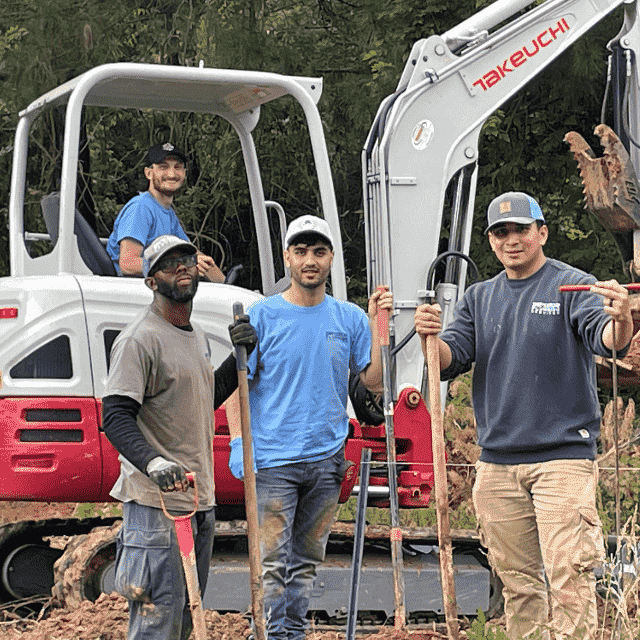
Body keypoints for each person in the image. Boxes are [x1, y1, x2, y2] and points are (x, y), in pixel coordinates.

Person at [414, 191, 633, 640]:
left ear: (542, 233)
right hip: (497, 466)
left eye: (521, 230)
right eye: (501, 232)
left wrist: (623, 318)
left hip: (563, 461)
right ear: (492, 240)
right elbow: (449, 358)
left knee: (570, 579)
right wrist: (429, 336)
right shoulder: (479, 297)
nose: (511, 240)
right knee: (518, 588)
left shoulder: (571, 285)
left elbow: (608, 339)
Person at [227, 214, 393, 640]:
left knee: (304, 564)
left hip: (325, 462)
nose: (310, 260)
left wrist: (379, 325)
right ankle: (265, 634)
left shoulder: (349, 318)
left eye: (319, 252)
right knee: (270, 565)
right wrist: (239, 442)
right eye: (301, 252)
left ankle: (292, 635)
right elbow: (235, 387)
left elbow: (370, 381)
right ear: (288, 258)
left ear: (331, 258)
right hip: (273, 462)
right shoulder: (262, 317)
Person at [102, 234, 257, 640]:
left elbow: (202, 399)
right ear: (152, 281)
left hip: (198, 501)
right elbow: (115, 416)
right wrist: (154, 464)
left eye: (187, 259)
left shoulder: (196, 334)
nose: (183, 267)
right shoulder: (140, 339)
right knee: (158, 625)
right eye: (170, 264)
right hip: (157, 511)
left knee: (185, 623)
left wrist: (240, 356)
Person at [106, 142, 224, 282]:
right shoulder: (141, 207)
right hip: (132, 293)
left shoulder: (168, 214)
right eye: (163, 167)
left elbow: (196, 257)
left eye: (177, 167)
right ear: (148, 173)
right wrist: (175, 265)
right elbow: (128, 265)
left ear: (184, 173)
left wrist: (229, 286)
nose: (171, 174)